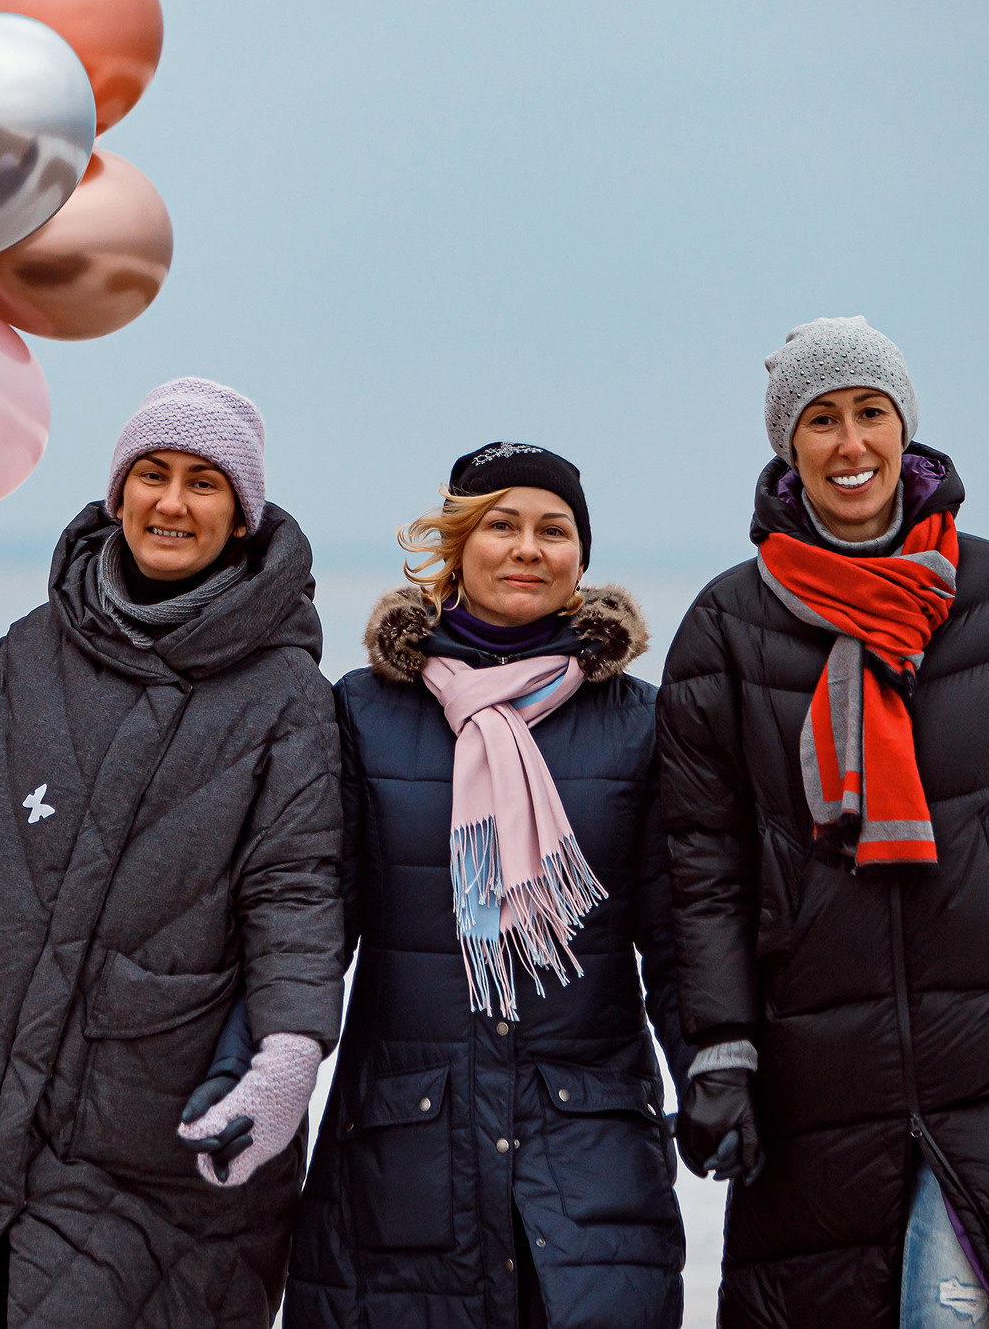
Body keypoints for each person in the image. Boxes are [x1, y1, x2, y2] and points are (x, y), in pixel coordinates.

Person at [657, 318, 989, 1329]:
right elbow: (703, 865)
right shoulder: (727, 627)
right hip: (811, 1067)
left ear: (905, 427)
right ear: (786, 446)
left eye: (870, 412)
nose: (850, 444)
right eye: (822, 418)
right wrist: (718, 1047)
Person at [0, 377, 344, 1329]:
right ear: (117, 495)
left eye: (204, 483)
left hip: (163, 1151)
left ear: (241, 517)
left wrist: (288, 1054)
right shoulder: (34, 648)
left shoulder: (285, 697)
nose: (171, 501)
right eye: (151, 474)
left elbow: (297, 892)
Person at [289, 443, 689, 1329]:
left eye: (554, 529)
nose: (527, 548)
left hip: (591, 1164)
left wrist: (715, 1070)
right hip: (403, 1154)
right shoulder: (364, 711)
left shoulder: (639, 722)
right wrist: (261, 1061)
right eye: (500, 524)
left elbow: (676, 936)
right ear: (457, 545)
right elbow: (312, 926)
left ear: (580, 557)